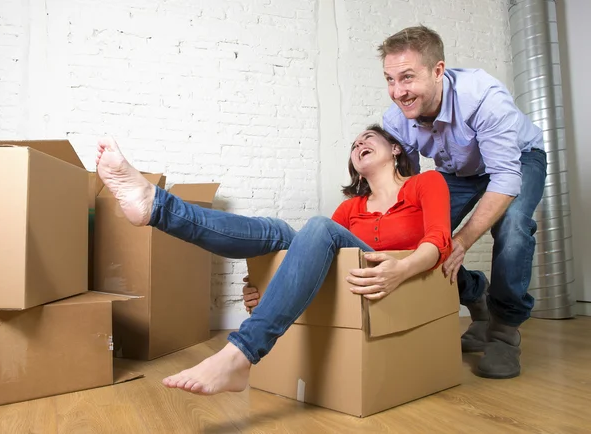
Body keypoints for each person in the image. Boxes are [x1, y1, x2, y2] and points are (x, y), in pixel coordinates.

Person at [95, 124, 452, 395]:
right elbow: (319, 261)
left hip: (398, 278)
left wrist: (401, 269)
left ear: (394, 148)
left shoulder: (426, 183)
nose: (359, 144)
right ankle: (157, 207)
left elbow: (439, 240)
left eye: (368, 138)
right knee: (278, 231)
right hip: (359, 280)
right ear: (356, 169)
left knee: (319, 228)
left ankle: (241, 354)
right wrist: (267, 284)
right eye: (354, 145)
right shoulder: (350, 208)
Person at [376, 25, 547, 379]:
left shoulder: (484, 97)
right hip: (458, 171)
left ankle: (503, 332)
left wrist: (461, 241)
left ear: (438, 70)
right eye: (390, 80)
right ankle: (475, 294)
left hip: (516, 160)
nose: (398, 92)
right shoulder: (397, 120)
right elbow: (403, 188)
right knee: (412, 232)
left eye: (407, 77)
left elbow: (504, 178)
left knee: (513, 227)